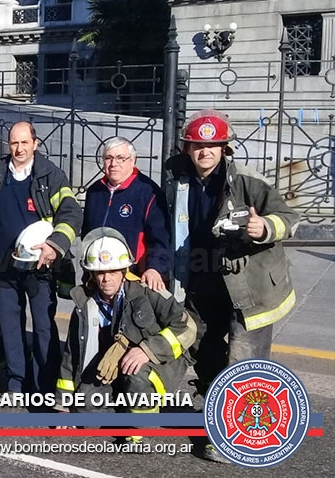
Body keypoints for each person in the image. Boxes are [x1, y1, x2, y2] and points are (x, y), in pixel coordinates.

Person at [165, 110, 299, 463]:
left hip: (251, 292)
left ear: (225, 148)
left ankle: (234, 437)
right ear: (187, 148)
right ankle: (216, 418)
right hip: (202, 285)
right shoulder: (177, 181)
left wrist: (265, 227)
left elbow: (289, 218)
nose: (205, 152)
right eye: (198, 145)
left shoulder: (248, 181)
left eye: (212, 145)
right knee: (206, 356)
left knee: (244, 363)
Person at [0, 121, 82, 394]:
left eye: (24, 142)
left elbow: (70, 212)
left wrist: (55, 245)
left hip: (39, 266)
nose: (19, 148)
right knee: (10, 326)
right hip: (2, 264)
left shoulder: (50, 175)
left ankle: (44, 383)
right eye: (14, 143)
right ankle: (17, 380)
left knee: (43, 326)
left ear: (35, 143)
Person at [55, 227, 197, 443]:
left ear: (124, 271)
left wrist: (147, 350)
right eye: (101, 272)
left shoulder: (148, 291)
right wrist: (63, 405)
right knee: (84, 409)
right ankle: (125, 407)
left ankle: (141, 426)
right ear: (92, 274)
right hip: (113, 368)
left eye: (113, 271)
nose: (106, 279)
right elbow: (71, 356)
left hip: (157, 364)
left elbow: (187, 327)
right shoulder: (85, 306)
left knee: (136, 372)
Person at [82, 137, 172, 290]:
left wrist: (155, 268)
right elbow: (87, 234)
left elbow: (161, 238)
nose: (113, 164)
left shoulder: (149, 192)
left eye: (120, 158)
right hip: (98, 275)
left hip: (133, 277)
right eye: (108, 158)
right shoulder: (94, 191)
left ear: (132, 160)